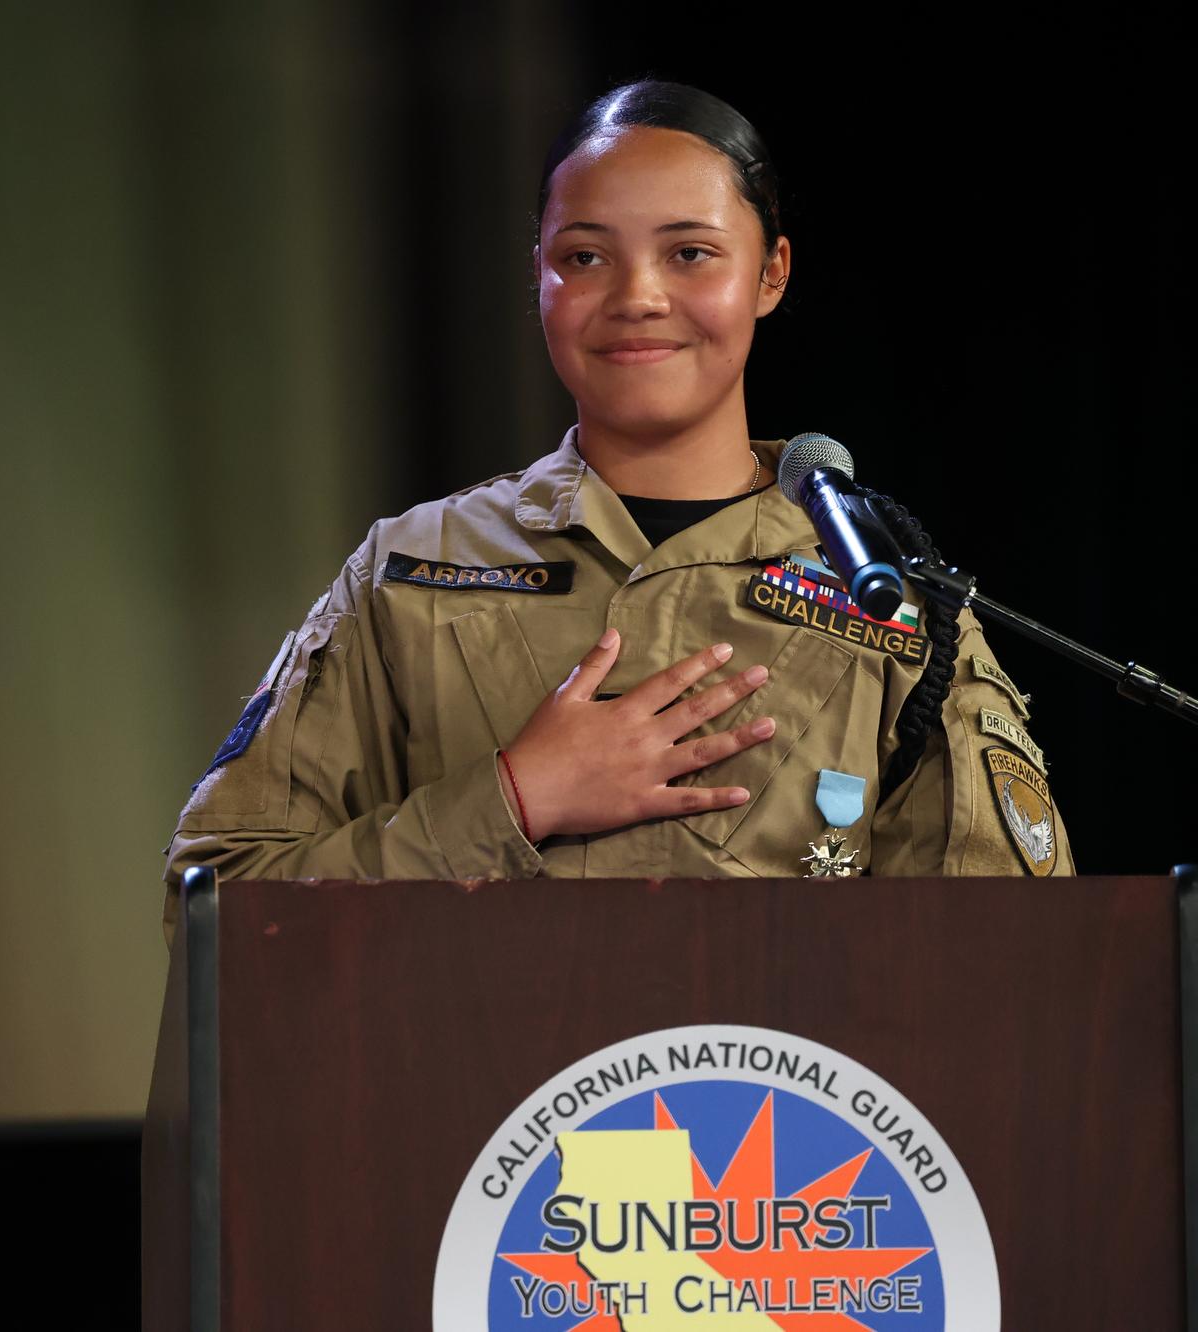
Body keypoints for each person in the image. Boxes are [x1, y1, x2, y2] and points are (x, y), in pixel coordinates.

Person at [161, 81, 1071, 934]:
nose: (637, 297)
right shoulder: (411, 568)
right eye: (585, 256)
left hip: (773, 1108)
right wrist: (516, 798)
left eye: (690, 253)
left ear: (771, 273)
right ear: (540, 280)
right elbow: (216, 908)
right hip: (474, 1103)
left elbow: (1005, 968)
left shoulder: (886, 594)